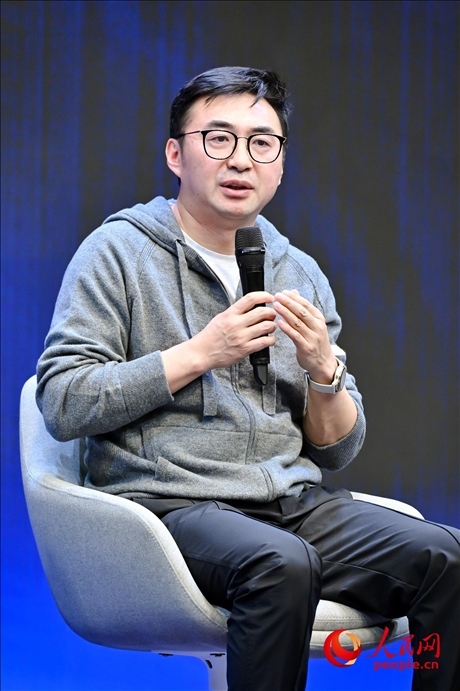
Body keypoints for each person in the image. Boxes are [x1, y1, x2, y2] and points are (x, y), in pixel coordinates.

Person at [36, 66, 459, 691]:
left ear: (280, 165)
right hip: (169, 505)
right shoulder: (118, 253)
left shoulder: (299, 272)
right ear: (175, 154)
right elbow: (63, 400)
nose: (241, 159)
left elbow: (336, 450)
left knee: (447, 558)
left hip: (291, 506)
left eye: (262, 143)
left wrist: (324, 373)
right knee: (281, 565)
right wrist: (201, 353)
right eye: (219, 138)